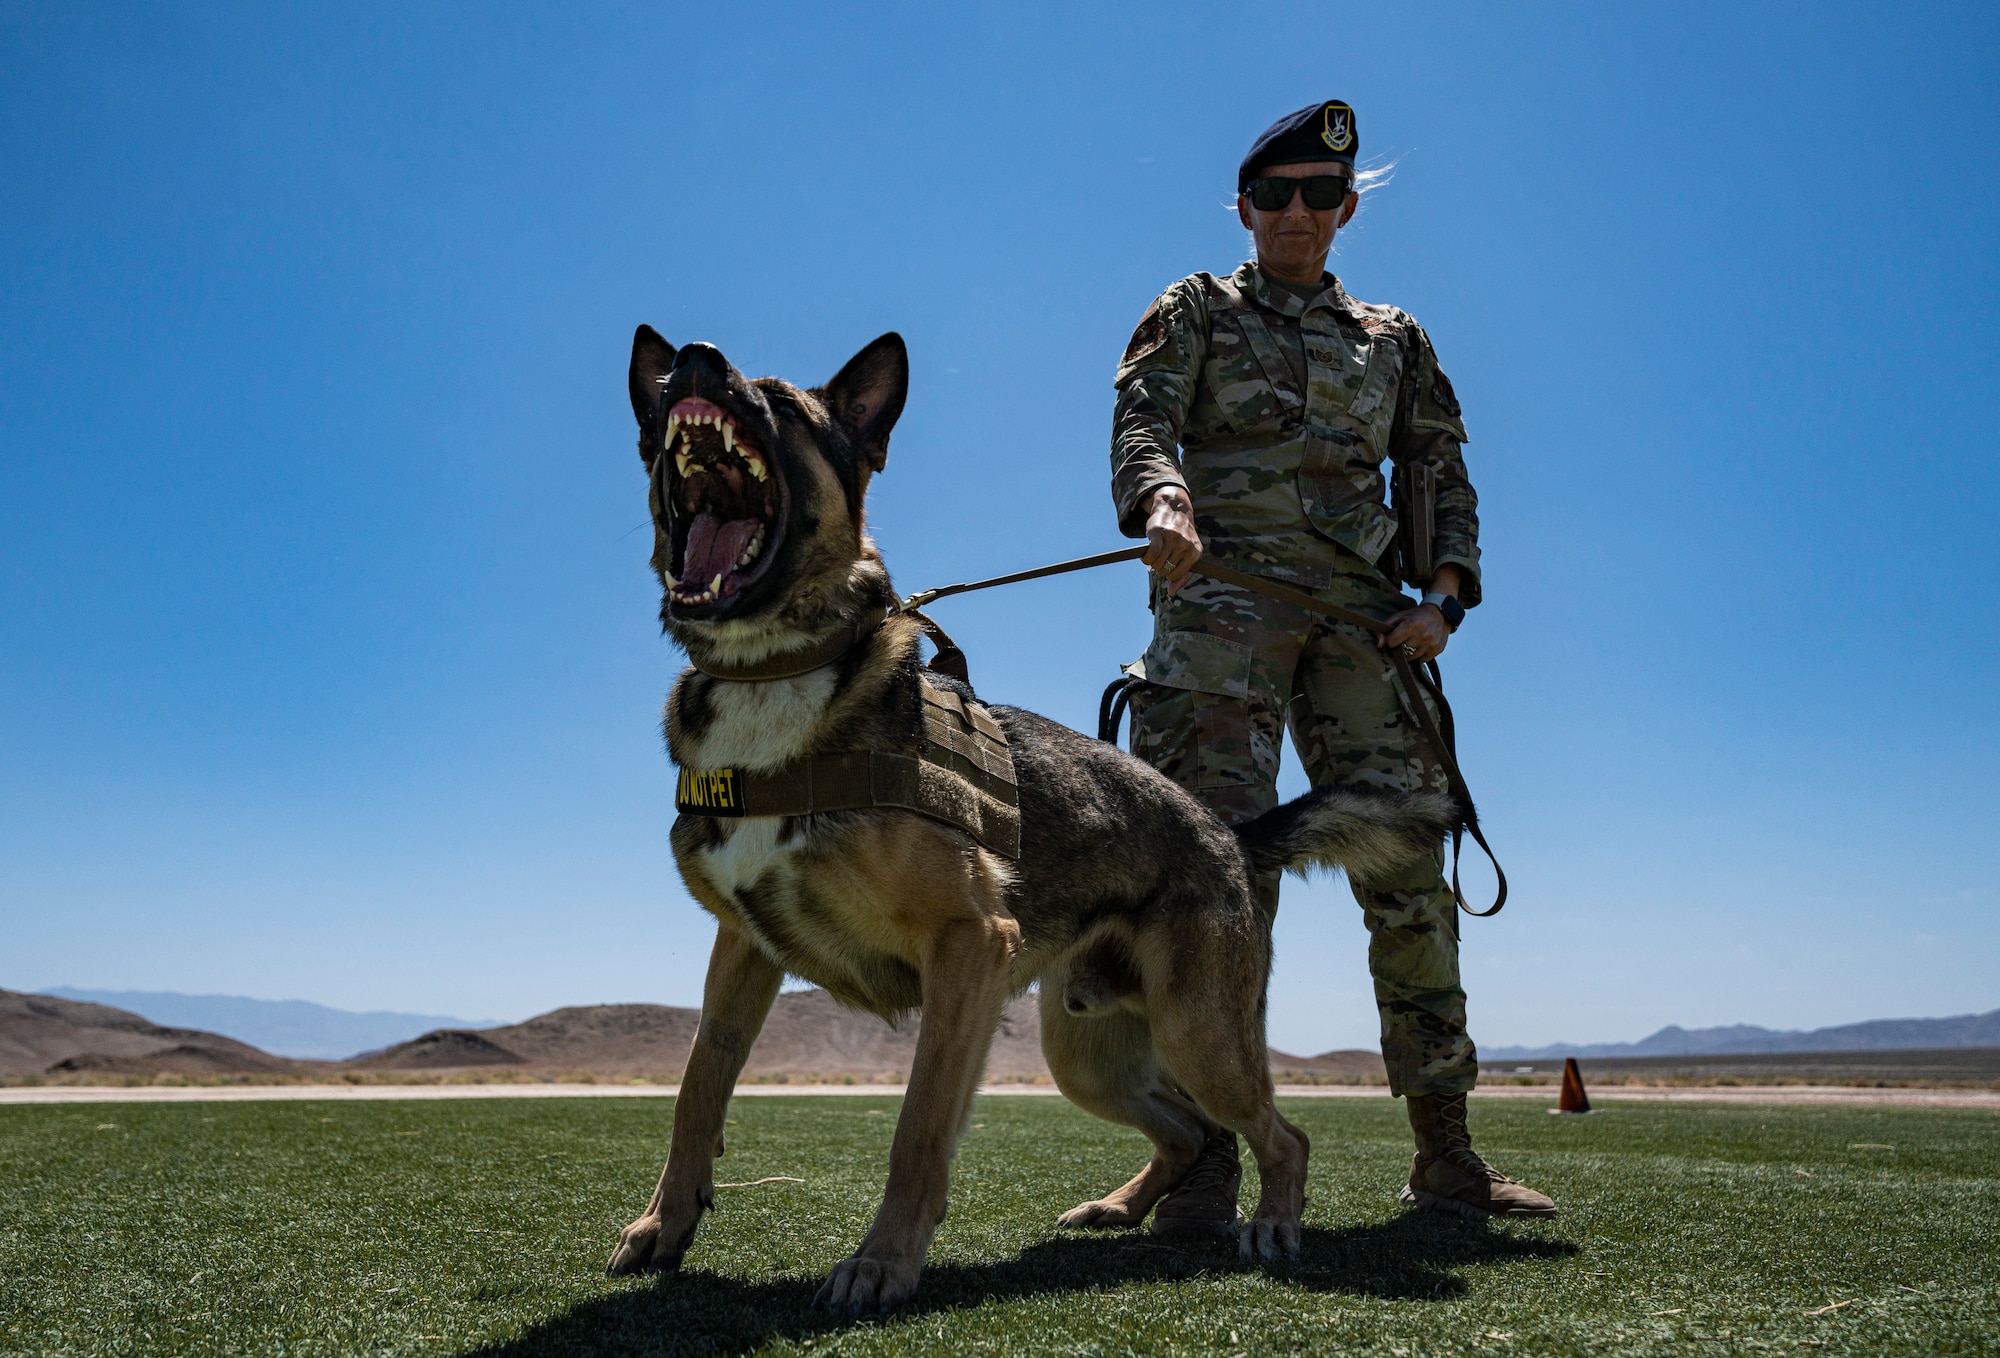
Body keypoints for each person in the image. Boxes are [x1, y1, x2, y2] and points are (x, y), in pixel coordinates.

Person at [1108, 99, 1555, 1229]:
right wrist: (1159, 498)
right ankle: (1203, 1156)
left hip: (1364, 624)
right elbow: (1142, 415)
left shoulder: (1393, 340)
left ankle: (1444, 1154)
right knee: (1211, 886)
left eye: (1316, 196)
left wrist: (1444, 596)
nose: (1294, 213)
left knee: (1407, 869)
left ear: (1345, 210)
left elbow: (1438, 467)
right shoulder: (1196, 309)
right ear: (1245, 209)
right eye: (1273, 195)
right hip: (1218, 613)